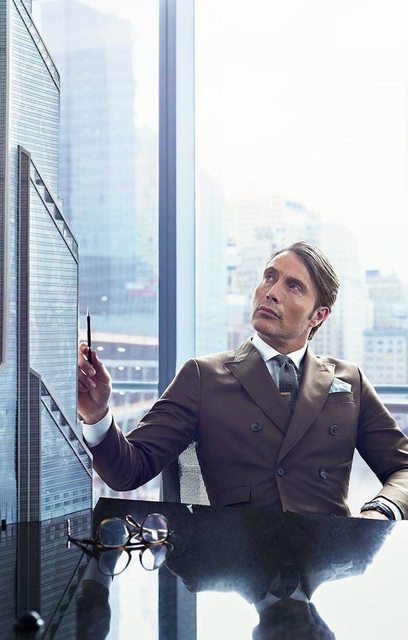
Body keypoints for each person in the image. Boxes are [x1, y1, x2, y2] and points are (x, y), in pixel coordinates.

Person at [78, 241, 408, 520]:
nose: (271, 293)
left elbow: (403, 468)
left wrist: (381, 510)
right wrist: (97, 415)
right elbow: (129, 470)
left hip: (329, 558)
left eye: (293, 286)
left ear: (318, 315)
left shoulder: (349, 380)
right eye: (269, 277)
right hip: (239, 559)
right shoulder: (202, 376)